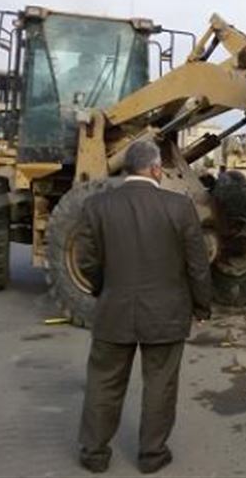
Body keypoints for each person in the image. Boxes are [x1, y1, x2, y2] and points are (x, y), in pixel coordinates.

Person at [76, 140, 212, 474]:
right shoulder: (179, 207)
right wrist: (202, 306)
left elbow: (87, 261)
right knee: (160, 384)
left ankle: (94, 454)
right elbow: (197, 265)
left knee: (103, 382)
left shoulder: (96, 205)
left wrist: (103, 290)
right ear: (155, 169)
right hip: (167, 314)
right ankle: (152, 455)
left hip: (113, 310)